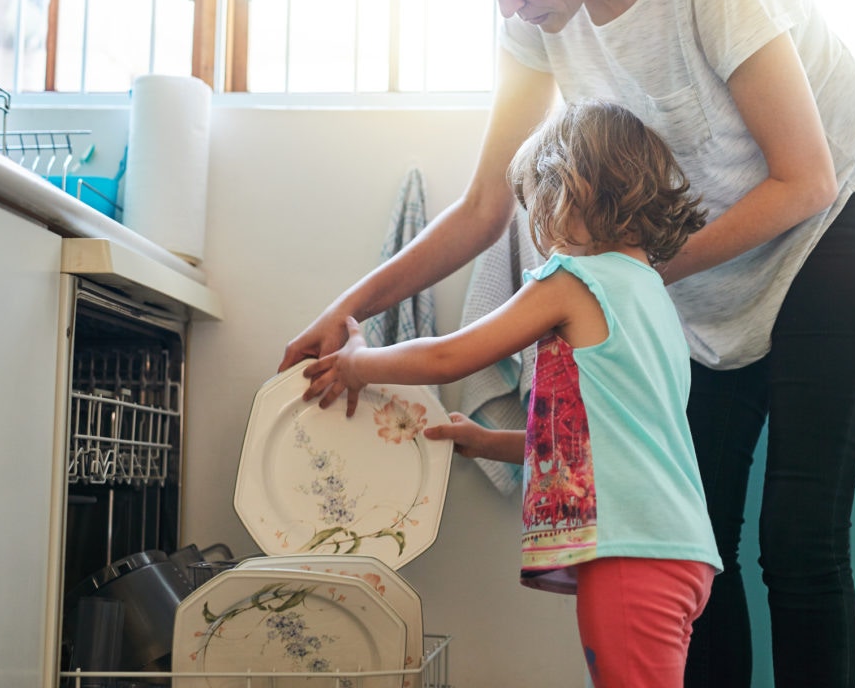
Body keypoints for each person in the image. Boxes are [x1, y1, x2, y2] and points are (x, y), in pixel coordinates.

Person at [281, 0, 855, 686]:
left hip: (833, 224)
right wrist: (345, 311)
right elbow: (485, 205)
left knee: (798, 537)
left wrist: (628, 279)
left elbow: (805, 179)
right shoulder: (534, 19)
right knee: (699, 538)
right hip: (689, 266)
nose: (508, 5)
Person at [303, 99, 723, 687]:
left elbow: (453, 353)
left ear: (566, 190)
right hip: (678, 550)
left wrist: (360, 364)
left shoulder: (572, 280)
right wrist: (489, 441)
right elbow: (601, 437)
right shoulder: (652, 295)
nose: (537, 225)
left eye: (536, 202)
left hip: (629, 550)